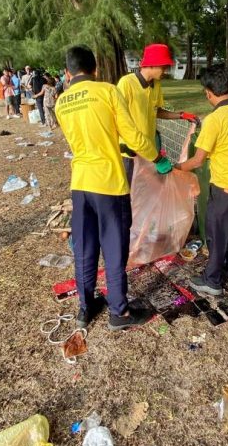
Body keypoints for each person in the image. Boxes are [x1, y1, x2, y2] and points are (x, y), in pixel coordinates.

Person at [54, 45, 173, 331]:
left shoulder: (61, 102)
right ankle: (119, 312)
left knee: (85, 248)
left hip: (80, 184)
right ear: (95, 69)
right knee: (114, 248)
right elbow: (133, 136)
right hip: (108, 183)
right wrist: (157, 157)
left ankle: (86, 307)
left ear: (68, 73)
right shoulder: (107, 91)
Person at [175, 65, 228, 297]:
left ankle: (212, 280)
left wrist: (175, 168)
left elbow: (197, 161)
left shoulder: (214, 120)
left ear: (208, 92)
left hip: (225, 186)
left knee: (217, 233)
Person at [116, 43, 198, 184]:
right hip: (129, 152)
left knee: (146, 192)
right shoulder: (126, 84)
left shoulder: (156, 85)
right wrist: (126, 144)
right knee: (129, 193)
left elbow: (157, 111)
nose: (165, 71)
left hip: (149, 150)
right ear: (152, 65)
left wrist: (181, 115)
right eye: (163, 66)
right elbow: (117, 116)